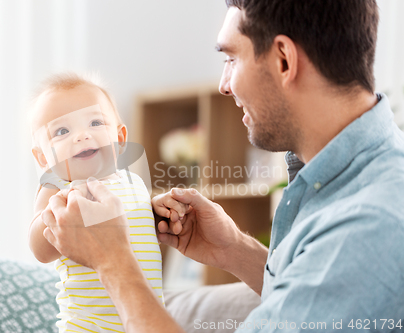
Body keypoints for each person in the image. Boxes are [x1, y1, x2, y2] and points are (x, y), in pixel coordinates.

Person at [41, 1, 404, 332]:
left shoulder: (368, 223)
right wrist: (235, 251)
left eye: (231, 59)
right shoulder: (357, 182)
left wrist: (113, 263)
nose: (223, 85)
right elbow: (314, 304)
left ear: (283, 61)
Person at [28, 73, 165, 333]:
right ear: (43, 158)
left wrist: (160, 213)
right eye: (62, 131)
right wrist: (59, 210)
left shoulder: (133, 182)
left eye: (95, 122)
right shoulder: (58, 186)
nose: (81, 136)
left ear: (121, 138)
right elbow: (39, 249)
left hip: (143, 321)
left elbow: (138, 232)